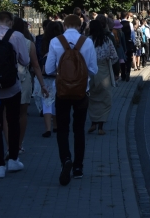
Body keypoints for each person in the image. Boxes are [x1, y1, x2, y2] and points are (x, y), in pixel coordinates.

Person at [45, 15, 98, 185]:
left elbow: (48, 68)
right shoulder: (87, 42)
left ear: (65, 25)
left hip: (61, 92)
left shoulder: (55, 41)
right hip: (82, 92)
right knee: (79, 129)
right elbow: (93, 70)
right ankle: (78, 167)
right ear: (80, 25)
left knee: (62, 129)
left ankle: (65, 159)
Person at [0, 11, 30, 178]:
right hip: (12, 86)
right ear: (10, 22)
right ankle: (13, 158)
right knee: (13, 122)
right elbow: (25, 61)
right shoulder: (17, 36)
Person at [13, 17, 48, 152]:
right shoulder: (28, 43)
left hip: (6, 81)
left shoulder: (3, 40)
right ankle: (19, 144)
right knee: (22, 113)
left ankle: (9, 144)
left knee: (6, 114)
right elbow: (36, 66)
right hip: (24, 80)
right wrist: (42, 84)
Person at [87, 20, 118, 136]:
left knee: (92, 97)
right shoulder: (107, 40)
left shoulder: (87, 40)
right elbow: (114, 57)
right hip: (103, 69)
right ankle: (101, 126)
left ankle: (93, 123)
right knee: (105, 97)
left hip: (90, 70)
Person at [39, 21, 63, 137]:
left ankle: (47, 128)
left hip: (46, 76)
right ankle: (56, 126)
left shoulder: (41, 40)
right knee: (57, 102)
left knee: (46, 102)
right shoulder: (62, 42)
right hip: (59, 76)